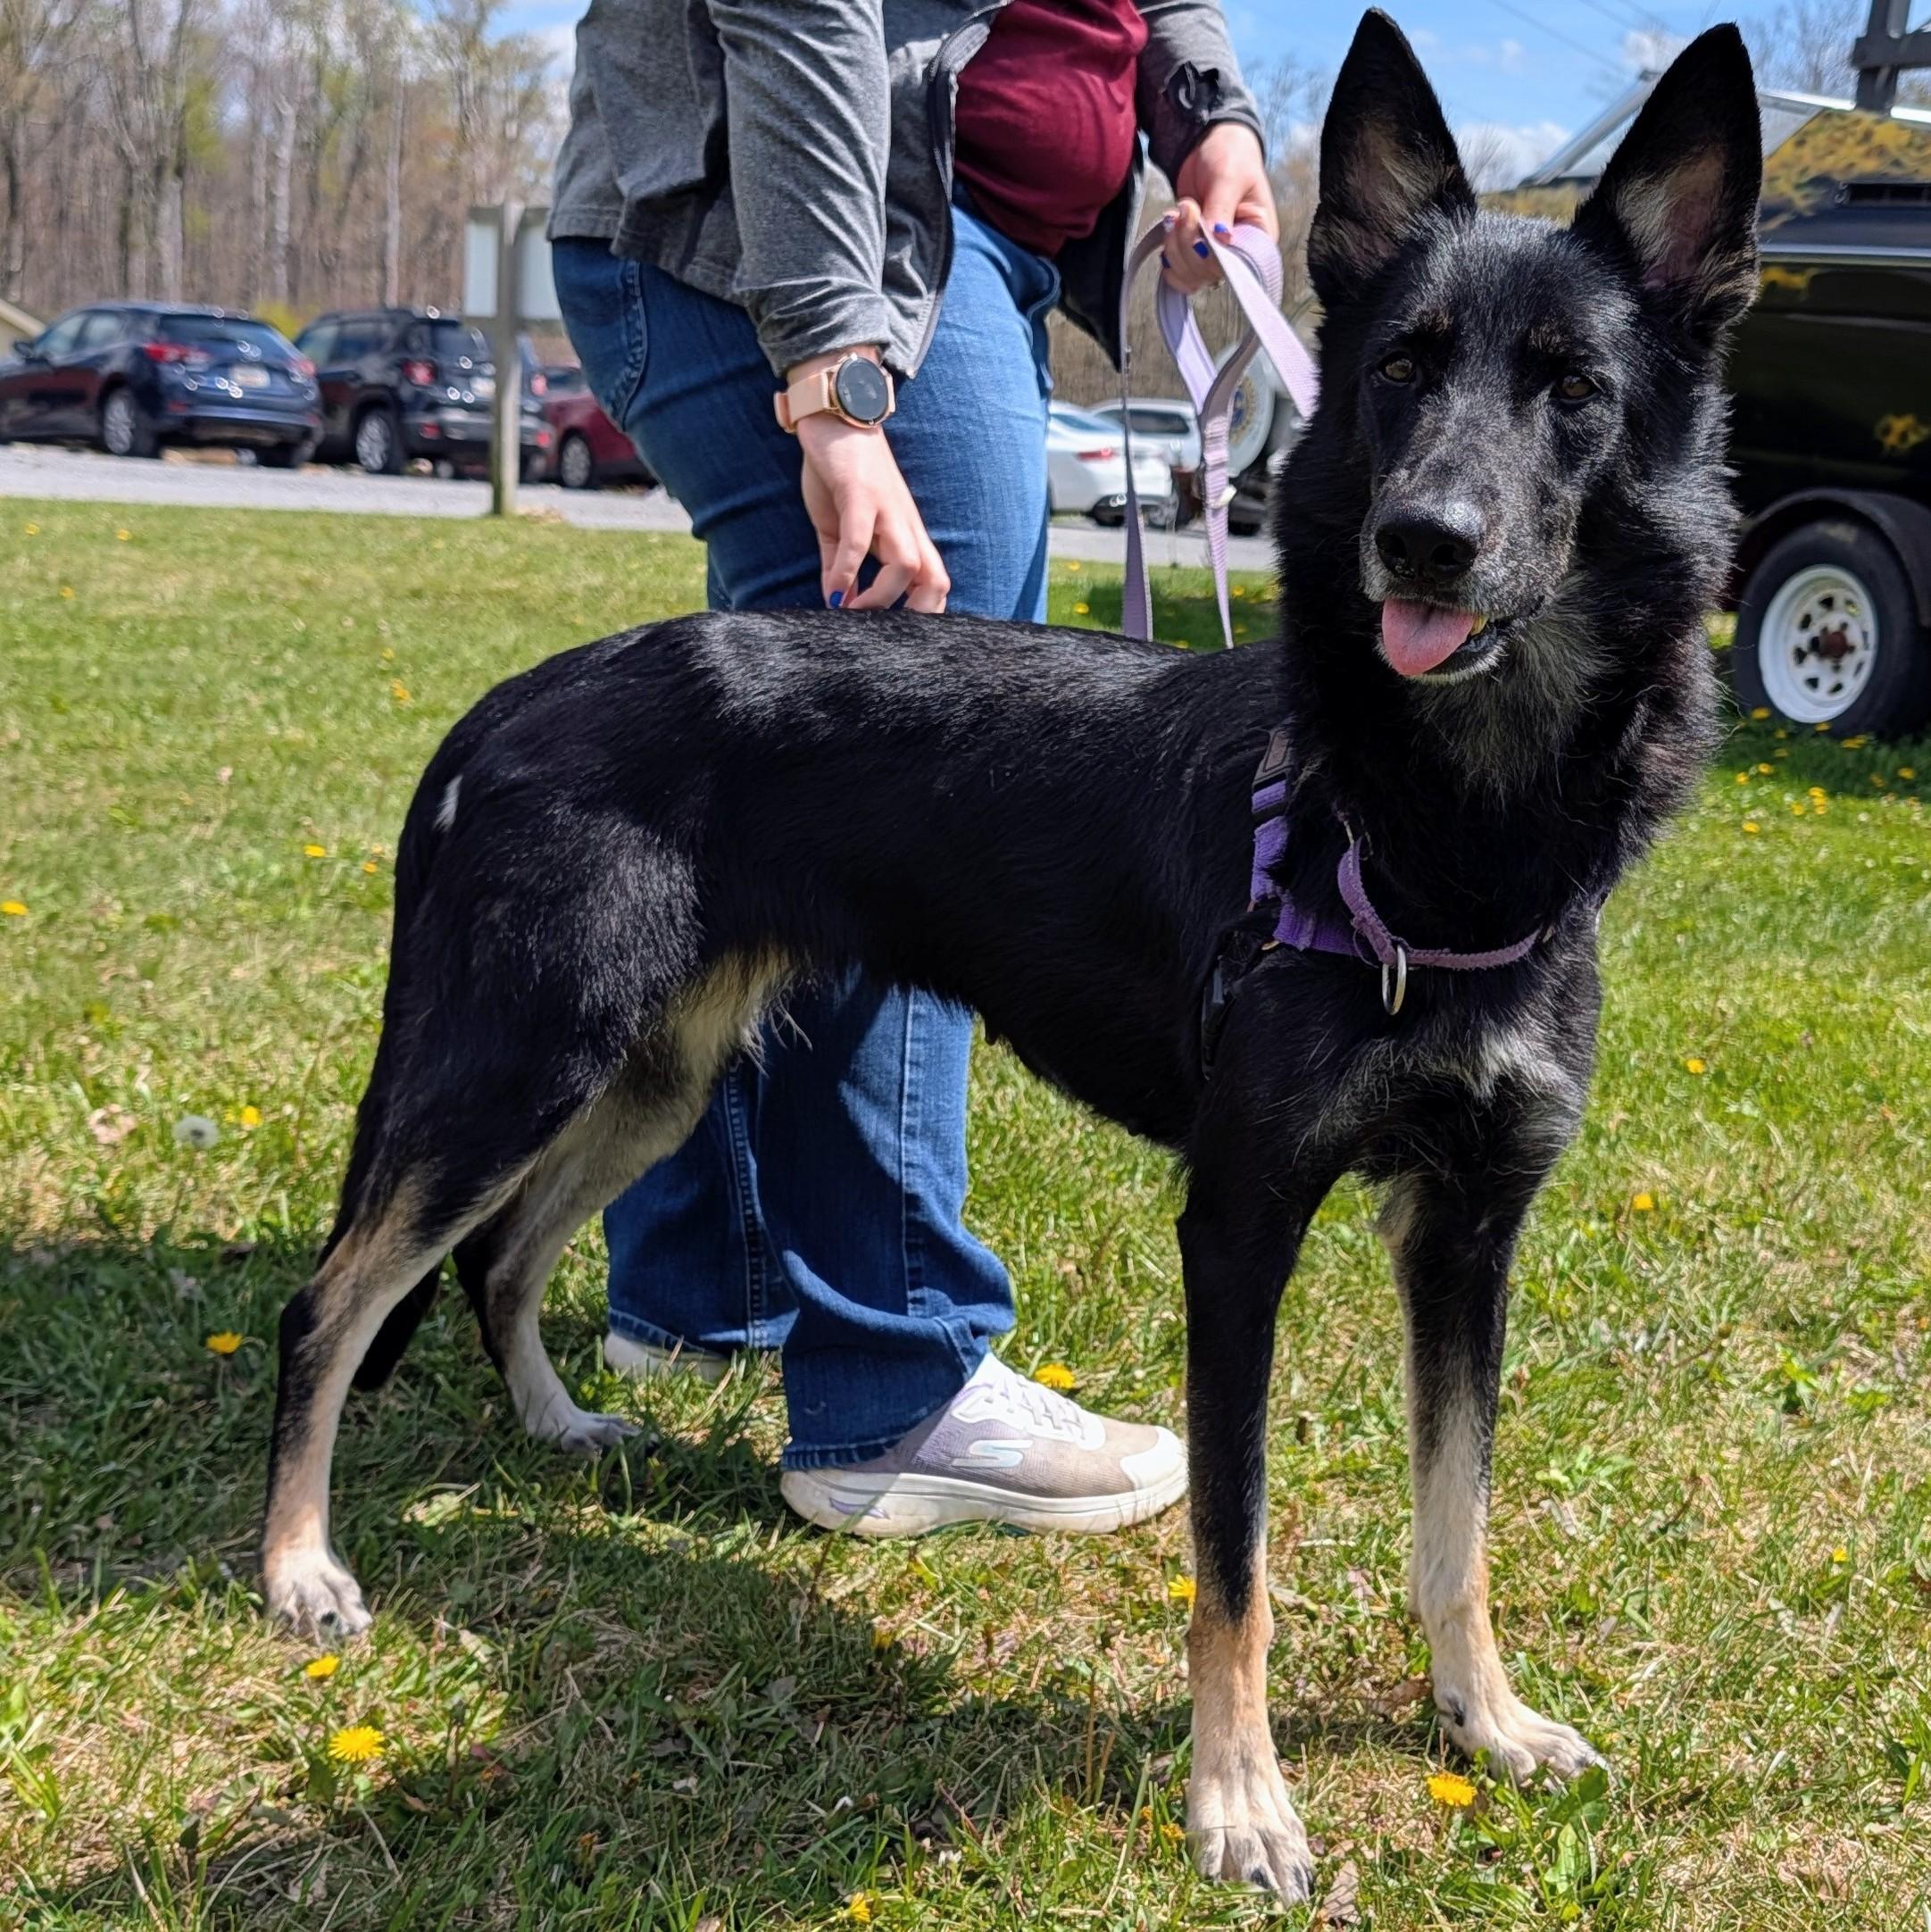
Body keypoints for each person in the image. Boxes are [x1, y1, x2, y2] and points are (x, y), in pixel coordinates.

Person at [546, 0, 1278, 1537]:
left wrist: (1203, 109)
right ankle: (895, 1380)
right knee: (913, 782)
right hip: (820, 231)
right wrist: (832, 367)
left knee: (788, 766)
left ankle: (707, 1283)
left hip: (957, 242)